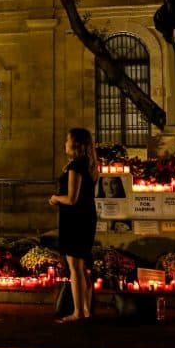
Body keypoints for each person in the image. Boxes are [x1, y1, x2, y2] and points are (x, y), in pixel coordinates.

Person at [49, 128, 98, 323]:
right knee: (82, 267)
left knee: (75, 267)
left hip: (76, 220)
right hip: (85, 217)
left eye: (67, 140)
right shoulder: (88, 164)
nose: (65, 144)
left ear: (76, 144)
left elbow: (71, 198)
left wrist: (55, 198)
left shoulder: (76, 166)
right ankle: (85, 310)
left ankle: (78, 312)